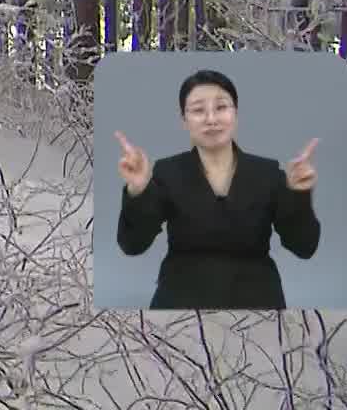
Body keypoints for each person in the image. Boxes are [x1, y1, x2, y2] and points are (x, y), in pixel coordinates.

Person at [114, 68, 321, 309]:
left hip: (258, 305)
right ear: (184, 120)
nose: (211, 119)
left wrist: (298, 194)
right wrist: (138, 189)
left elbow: (304, 247)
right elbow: (132, 245)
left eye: (221, 107)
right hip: (181, 305)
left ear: (236, 114)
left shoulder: (267, 173)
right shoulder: (168, 172)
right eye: (198, 110)